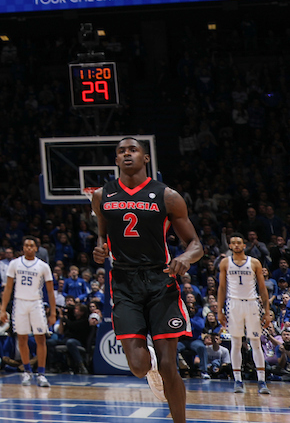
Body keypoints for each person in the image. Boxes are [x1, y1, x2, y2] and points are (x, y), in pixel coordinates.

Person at [92, 136, 202, 421]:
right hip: (124, 284)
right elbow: (102, 233)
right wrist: (101, 247)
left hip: (160, 281)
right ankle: (149, 363)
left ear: (146, 158)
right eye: (121, 151)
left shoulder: (167, 196)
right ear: (116, 160)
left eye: (133, 150)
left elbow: (195, 244)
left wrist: (184, 259)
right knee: (139, 367)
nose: (127, 154)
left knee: (170, 366)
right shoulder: (101, 196)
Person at [215, 230, 271, 394]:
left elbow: (262, 288)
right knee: (236, 342)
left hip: (252, 303)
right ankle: (238, 380)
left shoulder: (254, 262)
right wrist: (219, 310)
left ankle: (261, 381)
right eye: (234, 243)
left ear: (244, 246)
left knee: (255, 342)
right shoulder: (225, 263)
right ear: (230, 246)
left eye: (240, 242)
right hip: (233, 304)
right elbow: (221, 287)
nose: (237, 245)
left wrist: (267, 312)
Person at [0, 236, 56, 388]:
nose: (29, 248)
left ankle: (42, 374)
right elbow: (8, 288)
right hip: (19, 303)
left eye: (32, 245)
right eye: (26, 245)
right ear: (23, 248)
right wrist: (3, 308)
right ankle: (27, 371)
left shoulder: (43, 266)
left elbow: (50, 292)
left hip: (36, 303)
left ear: (36, 248)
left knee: (41, 339)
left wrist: (53, 312)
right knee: (22, 339)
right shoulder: (15, 263)